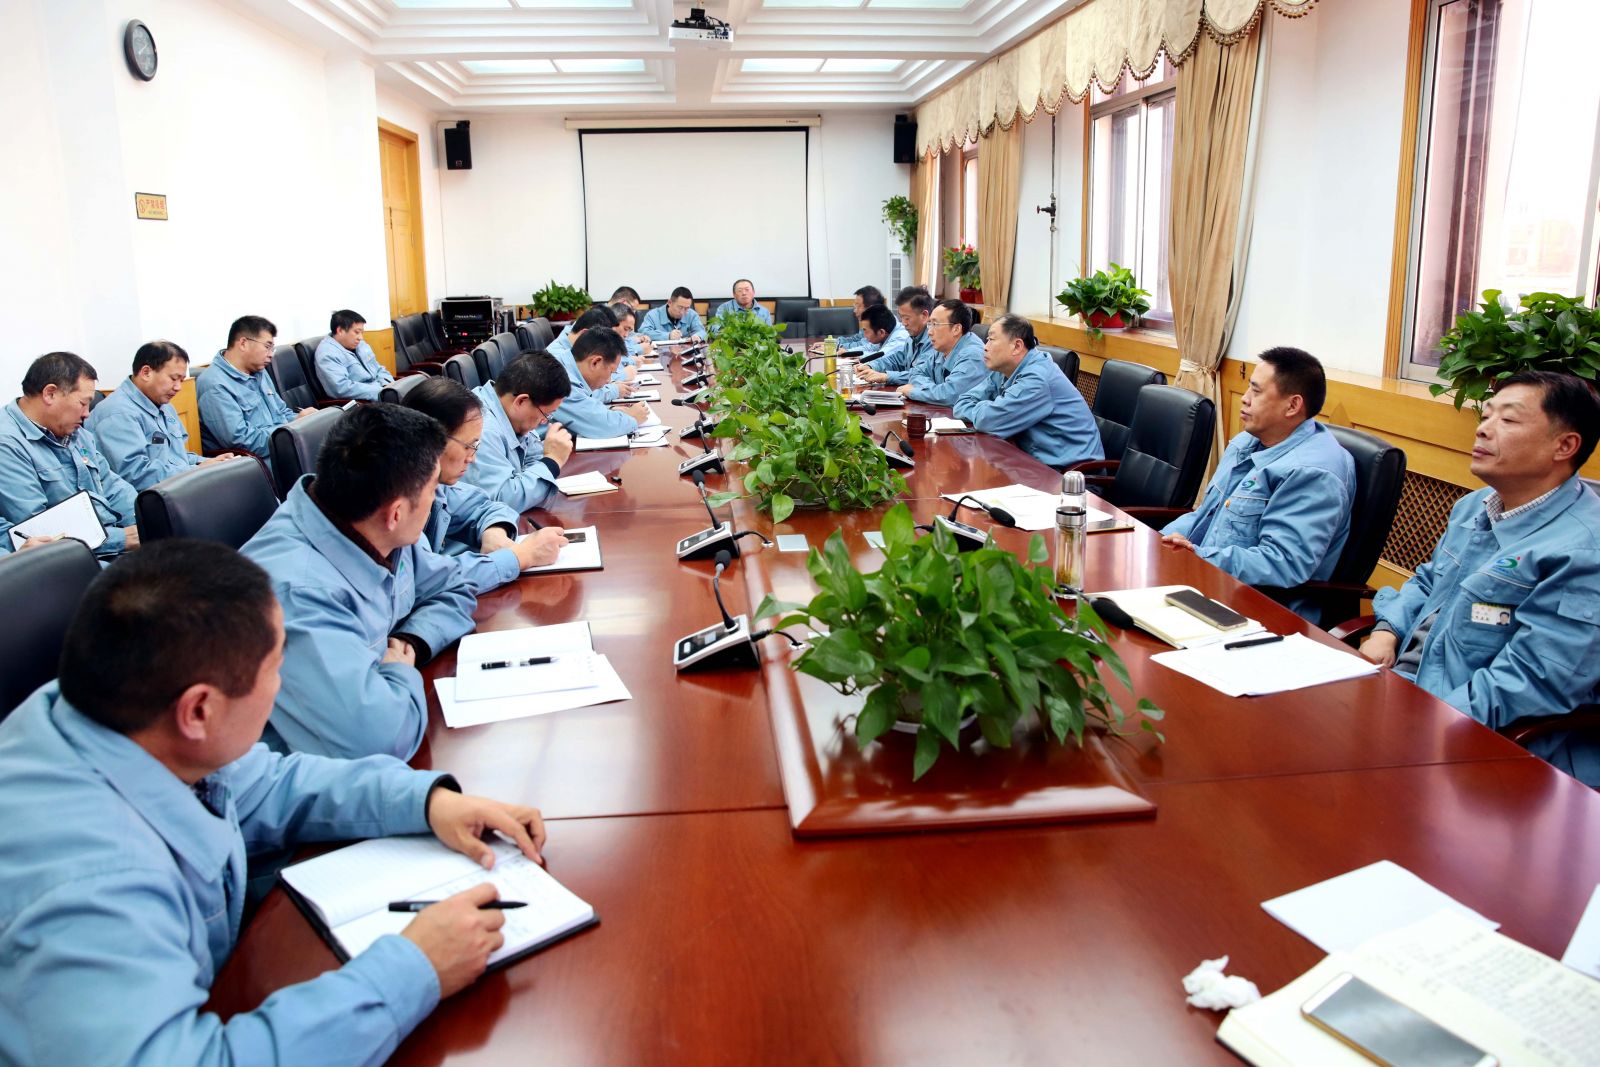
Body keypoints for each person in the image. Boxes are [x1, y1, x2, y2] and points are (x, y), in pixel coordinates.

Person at [0, 538, 547, 1066]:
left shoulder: (116, 711)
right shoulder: (90, 887)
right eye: (275, 668)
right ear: (199, 711)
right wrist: (413, 968)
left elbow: (270, 784)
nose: (284, 683)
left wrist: (427, 802)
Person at [1360, 371, 1600, 786]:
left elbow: (1531, 680)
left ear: (1564, 446)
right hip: (1404, 693)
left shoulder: (1585, 551)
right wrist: (1387, 631)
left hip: (1485, 744)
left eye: (1508, 420)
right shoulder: (1474, 506)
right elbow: (1427, 581)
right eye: (1486, 415)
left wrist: (1416, 722)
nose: (1484, 429)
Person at [241, 404, 476, 760]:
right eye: (432, 490)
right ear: (396, 513)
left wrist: (410, 641)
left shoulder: (372, 523)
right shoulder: (298, 594)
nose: (437, 499)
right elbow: (380, 741)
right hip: (302, 777)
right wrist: (398, 672)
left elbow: (454, 587)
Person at [1161, 347, 1355, 619]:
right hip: (1206, 584)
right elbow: (1205, 515)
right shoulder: (1247, 441)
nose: (1244, 398)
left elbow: (1282, 562)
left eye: (1256, 391)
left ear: (1293, 405)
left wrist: (1199, 557)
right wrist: (1161, 543)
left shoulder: (1314, 472)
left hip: (1258, 611)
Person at [403, 376, 568, 592]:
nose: (472, 459)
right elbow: (428, 579)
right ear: (430, 442)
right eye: (469, 446)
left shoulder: (435, 484)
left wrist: (494, 531)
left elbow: (483, 506)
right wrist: (522, 556)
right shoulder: (395, 501)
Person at [0, 352, 139, 559]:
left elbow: (111, 484)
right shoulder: (7, 444)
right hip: (73, 556)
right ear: (50, 394)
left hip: (110, 539)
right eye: (83, 403)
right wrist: (121, 538)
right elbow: (39, 530)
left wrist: (143, 521)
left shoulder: (72, 430)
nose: (87, 414)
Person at [952, 314, 1102, 470]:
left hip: (1071, 475)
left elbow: (988, 421)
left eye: (992, 339)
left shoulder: (1037, 379)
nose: (985, 346)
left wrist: (986, 410)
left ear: (1017, 346)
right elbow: (962, 402)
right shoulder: (1005, 369)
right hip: (1031, 464)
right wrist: (987, 409)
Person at [86, 341, 230, 491]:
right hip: (149, 496)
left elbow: (176, 457)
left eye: (181, 380)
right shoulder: (117, 414)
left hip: (175, 488)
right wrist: (197, 471)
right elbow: (136, 475)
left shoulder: (164, 405)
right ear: (146, 373)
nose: (178, 387)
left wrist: (207, 463)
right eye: (173, 379)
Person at [464, 352, 573, 513]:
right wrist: (553, 460)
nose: (544, 422)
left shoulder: (511, 414)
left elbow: (533, 460)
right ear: (521, 401)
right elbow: (503, 500)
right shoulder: (481, 429)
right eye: (545, 415)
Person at [197, 315, 316, 461]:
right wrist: (290, 433)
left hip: (283, 446)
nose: (271, 355)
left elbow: (281, 412)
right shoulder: (214, 385)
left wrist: (300, 420)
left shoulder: (259, 371)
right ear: (243, 343)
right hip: (258, 460)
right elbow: (240, 439)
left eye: (272, 349)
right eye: (267, 347)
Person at [549, 328, 650, 439]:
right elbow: (602, 426)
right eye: (611, 372)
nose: (609, 380)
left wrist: (610, 412)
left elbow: (586, 408)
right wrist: (633, 418)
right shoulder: (559, 379)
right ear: (595, 362)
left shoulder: (565, 364)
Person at [897, 299, 988, 407]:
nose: (929, 332)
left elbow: (950, 396)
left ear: (956, 329)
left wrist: (914, 391)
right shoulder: (943, 348)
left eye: (935, 324)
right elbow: (916, 373)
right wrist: (934, 390)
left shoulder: (973, 355)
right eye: (929, 324)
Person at [549, 306, 632, 402]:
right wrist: (615, 389)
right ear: (586, 334)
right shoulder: (556, 358)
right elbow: (580, 396)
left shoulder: (571, 351)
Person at [313, 309, 394, 401]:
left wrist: (388, 386)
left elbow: (378, 369)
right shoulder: (327, 354)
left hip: (382, 393)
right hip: (365, 401)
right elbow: (341, 388)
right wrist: (381, 392)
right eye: (357, 332)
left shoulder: (360, 344)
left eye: (362, 332)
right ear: (340, 330)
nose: (361, 338)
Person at [860, 287, 933, 387]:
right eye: (901, 317)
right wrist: (871, 366)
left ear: (924, 315)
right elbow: (897, 360)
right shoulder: (911, 338)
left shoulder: (933, 340)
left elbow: (920, 374)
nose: (903, 323)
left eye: (907, 318)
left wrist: (886, 377)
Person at [829, 285, 888, 352]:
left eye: (858, 306)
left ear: (870, 308)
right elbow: (856, 339)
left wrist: (835, 347)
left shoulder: (882, 324)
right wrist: (832, 343)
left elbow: (865, 346)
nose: (855, 311)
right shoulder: (869, 322)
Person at [639, 287, 705, 342]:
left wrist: (698, 336)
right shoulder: (652, 315)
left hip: (686, 352)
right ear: (670, 302)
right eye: (680, 307)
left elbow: (702, 331)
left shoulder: (692, 315)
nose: (682, 312)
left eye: (687, 308)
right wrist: (668, 336)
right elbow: (643, 333)